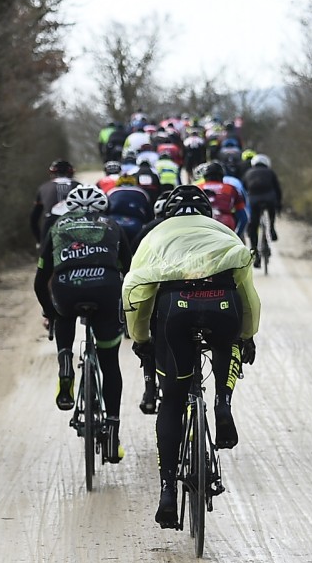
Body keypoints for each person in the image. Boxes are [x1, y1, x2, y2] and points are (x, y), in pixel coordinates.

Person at [122, 185, 259, 528]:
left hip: (175, 310)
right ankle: (223, 404)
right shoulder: (225, 233)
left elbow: (137, 293)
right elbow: (249, 296)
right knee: (226, 347)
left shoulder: (155, 237)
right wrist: (248, 334)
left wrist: (140, 338)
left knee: (172, 402)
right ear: (207, 214)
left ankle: (168, 491)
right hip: (222, 305)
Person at [36, 185, 133, 462]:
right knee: (109, 364)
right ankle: (113, 434)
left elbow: (40, 279)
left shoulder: (57, 225)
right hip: (105, 290)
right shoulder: (113, 225)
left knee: (62, 312)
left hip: (67, 290)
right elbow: (131, 270)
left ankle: (65, 360)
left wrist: (48, 311)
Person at [242, 153, 282, 262]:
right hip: (269, 199)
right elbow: (277, 189)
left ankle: (255, 252)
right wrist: (278, 205)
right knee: (271, 210)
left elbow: (243, 189)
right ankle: (272, 228)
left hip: (253, 200)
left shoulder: (248, 173)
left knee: (253, 226)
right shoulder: (270, 172)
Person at [30, 159, 79, 240]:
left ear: (52, 173)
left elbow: (33, 219)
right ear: (71, 173)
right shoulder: (80, 186)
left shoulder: (43, 188)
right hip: (76, 225)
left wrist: (39, 240)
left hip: (50, 226)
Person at [198, 161, 245, 232]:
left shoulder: (198, 187)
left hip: (203, 223)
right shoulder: (231, 188)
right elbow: (244, 218)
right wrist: (237, 236)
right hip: (225, 223)